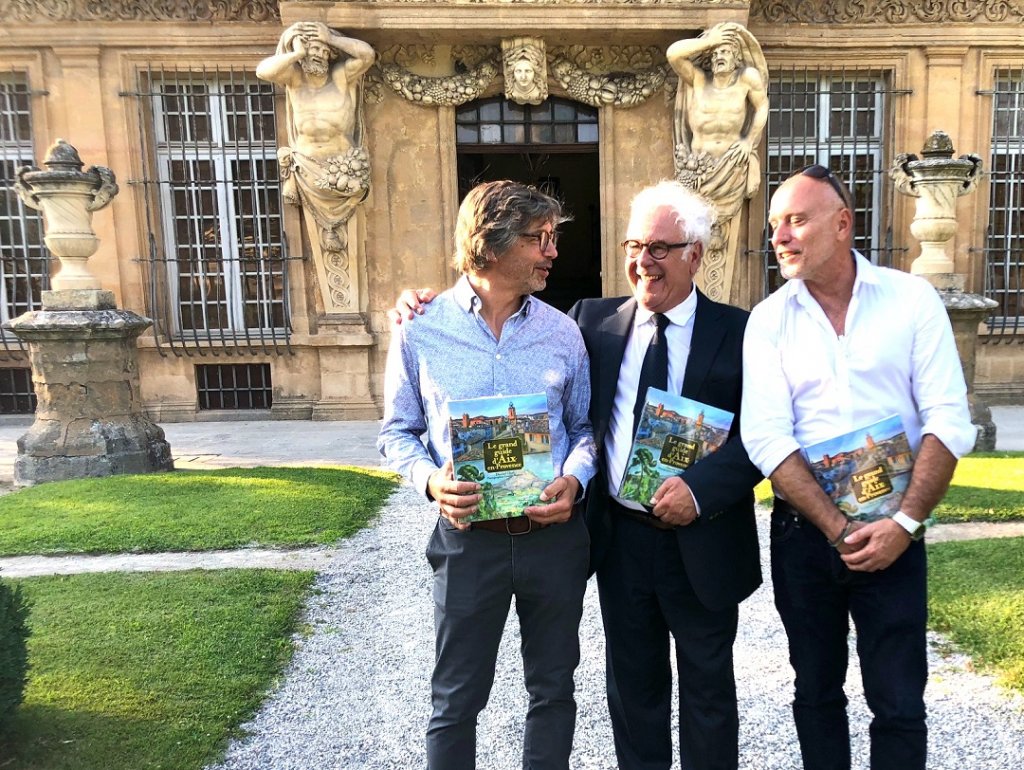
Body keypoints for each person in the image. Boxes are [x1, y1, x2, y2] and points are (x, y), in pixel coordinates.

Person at [392, 180, 763, 770]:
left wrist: (694, 490)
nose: (643, 261)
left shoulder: (744, 333)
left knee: (708, 691)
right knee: (631, 693)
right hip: (620, 543)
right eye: (634, 245)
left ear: (696, 253)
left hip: (703, 537)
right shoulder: (591, 322)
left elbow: (762, 437)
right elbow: (404, 428)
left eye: (660, 248)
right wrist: (417, 304)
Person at [741, 165, 977, 770]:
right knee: (816, 694)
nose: (781, 237)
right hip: (806, 538)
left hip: (897, 532)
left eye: (796, 220)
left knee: (899, 701)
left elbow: (948, 418)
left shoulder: (912, 299)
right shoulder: (768, 320)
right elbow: (767, 437)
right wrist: (837, 528)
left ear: (843, 223)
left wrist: (903, 525)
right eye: (774, 226)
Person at [377, 180, 597, 770]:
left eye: (553, 238)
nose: (553, 252)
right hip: (468, 541)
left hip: (553, 541)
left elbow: (584, 429)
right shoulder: (420, 327)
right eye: (539, 239)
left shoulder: (563, 332)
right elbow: (396, 433)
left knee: (553, 692)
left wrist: (574, 480)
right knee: (455, 699)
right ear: (490, 244)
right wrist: (430, 483)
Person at [256, 22, 375, 259]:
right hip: (307, 171)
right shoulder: (295, 80)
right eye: (313, 49)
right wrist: (296, 53)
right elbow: (263, 71)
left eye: (323, 51)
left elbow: (367, 55)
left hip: (344, 172)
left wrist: (331, 38)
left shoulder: (341, 78)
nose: (319, 55)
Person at [667, 23, 768, 268]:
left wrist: (749, 142)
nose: (719, 57)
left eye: (725, 52)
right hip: (700, 169)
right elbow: (673, 54)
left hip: (731, 167)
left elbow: (762, 106)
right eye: (715, 54)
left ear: (736, 59)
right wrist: (710, 41)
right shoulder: (699, 80)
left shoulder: (747, 79)